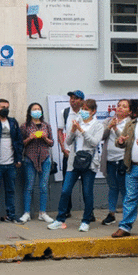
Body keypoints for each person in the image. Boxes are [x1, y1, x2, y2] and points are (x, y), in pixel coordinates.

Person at [48, 99, 103, 232]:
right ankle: (60, 219)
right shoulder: (76, 122)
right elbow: (67, 141)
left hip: (89, 164)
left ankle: (86, 221)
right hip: (74, 162)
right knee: (66, 190)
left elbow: (94, 142)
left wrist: (82, 131)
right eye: (82, 109)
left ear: (93, 111)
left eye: (86, 109)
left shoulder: (98, 125)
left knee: (87, 192)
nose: (83, 112)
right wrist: (73, 130)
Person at [0, 99, 24, 225]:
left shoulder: (13, 122)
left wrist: (18, 159)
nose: (5, 109)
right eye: (3, 107)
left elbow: (18, 141)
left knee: (10, 190)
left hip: (11, 164)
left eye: (7, 107)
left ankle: (11, 215)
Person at [19, 103, 54, 224]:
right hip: (30, 158)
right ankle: (27, 213)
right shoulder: (24, 126)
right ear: (29, 112)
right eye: (34, 109)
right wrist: (30, 138)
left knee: (43, 186)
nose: (37, 111)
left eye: (39, 109)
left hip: (45, 158)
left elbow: (51, 143)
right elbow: (20, 143)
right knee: (29, 186)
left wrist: (44, 137)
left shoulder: (46, 125)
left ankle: (42, 213)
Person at [101, 99, 131, 226]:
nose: (120, 108)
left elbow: (125, 141)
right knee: (112, 187)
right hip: (110, 159)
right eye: (119, 106)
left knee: (124, 188)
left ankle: (127, 216)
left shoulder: (130, 123)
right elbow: (101, 136)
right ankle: (111, 214)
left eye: (124, 106)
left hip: (122, 159)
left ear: (129, 111)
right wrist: (109, 127)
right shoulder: (108, 120)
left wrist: (116, 129)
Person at [112, 100, 138, 237]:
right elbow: (120, 142)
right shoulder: (131, 124)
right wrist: (120, 141)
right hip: (133, 166)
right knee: (130, 198)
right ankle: (125, 227)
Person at [56, 90, 85, 219]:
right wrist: (63, 148)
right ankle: (67, 210)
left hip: (84, 156)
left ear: (82, 101)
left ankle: (89, 212)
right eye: (71, 98)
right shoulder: (65, 112)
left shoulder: (86, 113)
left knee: (86, 185)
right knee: (66, 185)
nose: (73, 100)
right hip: (68, 154)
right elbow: (60, 131)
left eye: (76, 98)